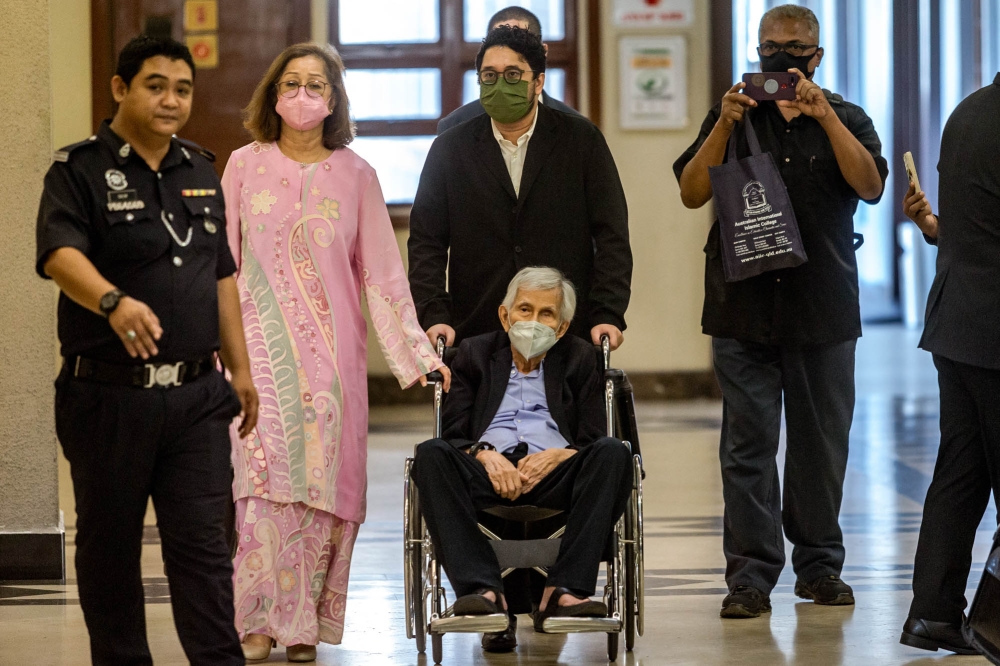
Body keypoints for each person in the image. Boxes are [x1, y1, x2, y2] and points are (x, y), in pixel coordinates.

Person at [35, 36, 258, 665]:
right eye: (155, 86)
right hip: (108, 398)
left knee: (204, 552)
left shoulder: (200, 170)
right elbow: (58, 254)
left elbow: (221, 276)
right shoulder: (77, 170)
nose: (170, 101)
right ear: (120, 89)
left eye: (182, 89)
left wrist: (240, 369)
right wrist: (112, 302)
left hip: (197, 398)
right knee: (109, 552)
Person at [223, 43, 449, 662]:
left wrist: (418, 356)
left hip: (332, 363)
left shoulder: (357, 175)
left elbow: (382, 273)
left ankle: (302, 626)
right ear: (273, 95)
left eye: (315, 85)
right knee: (261, 484)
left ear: (334, 99)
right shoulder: (242, 166)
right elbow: (223, 266)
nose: (302, 95)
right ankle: (255, 622)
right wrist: (219, 353)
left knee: (321, 488)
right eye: (290, 83)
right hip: (256, 356)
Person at [673, 4, 888, 619]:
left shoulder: (847, 116)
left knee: (821, 448)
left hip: (823, 310)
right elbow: (691, 192)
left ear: (816, 57)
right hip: (743, 309)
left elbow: (871, 186)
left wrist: (826, 118)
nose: (782, 59)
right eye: (771, 47)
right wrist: (723, 123)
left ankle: (819, 567)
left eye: (795, 49)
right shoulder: (734, 114)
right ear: (757, 49)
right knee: (747, 448)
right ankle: (749, 577)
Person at [410, 267, 633, 642]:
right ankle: (484, 591)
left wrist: (562, 456)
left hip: (555, 474)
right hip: (488, 471)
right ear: (505, 315)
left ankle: (563, 591)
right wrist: (483, 455)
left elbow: (594, 437)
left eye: (547, 314)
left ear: (561, 327)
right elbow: (453, 434)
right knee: (430, 455)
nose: (533, 321)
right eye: (525, 309)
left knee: (615, 453)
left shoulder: (579, 358)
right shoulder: (475, 355)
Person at [409, 25, 631, 353]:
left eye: (513, 74)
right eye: (489, 75)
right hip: (476, 325)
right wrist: (434, 314)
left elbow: (611, 234)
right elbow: (427, 241)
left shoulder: (582, 140)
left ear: (538, 82)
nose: (500, 84)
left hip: (564, 324)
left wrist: (608, 313)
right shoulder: (450, 148)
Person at [897, 74, 1000, 656]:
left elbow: (976, 225)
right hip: (993, 332)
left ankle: (933, 612)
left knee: (960, 475)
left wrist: (935, 230)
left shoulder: (969, 112)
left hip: (958, 322)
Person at [437, 6, 581, 134]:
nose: (508, 53)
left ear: (542, 53)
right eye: (499, 43)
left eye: (521, 43)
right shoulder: (455, 126)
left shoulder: (577, 129)